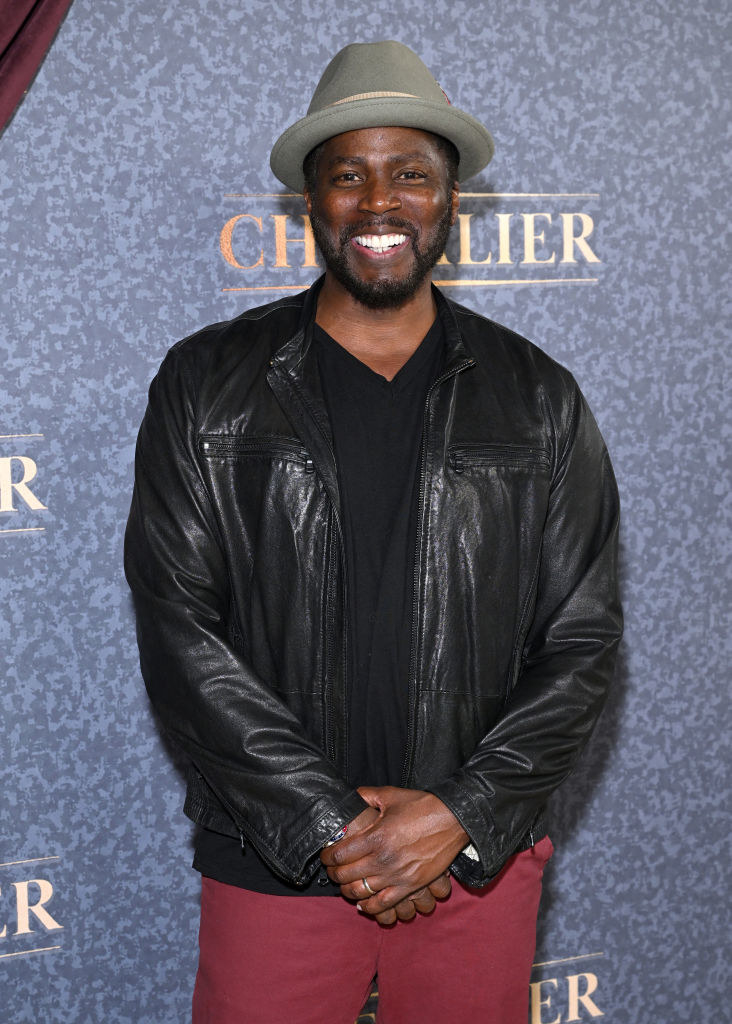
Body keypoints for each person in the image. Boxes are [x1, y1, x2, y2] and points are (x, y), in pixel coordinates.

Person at [125, 40, 622, 1024]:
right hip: (277, 860)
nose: (379, 201)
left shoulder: (540, 400)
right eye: (348, 175)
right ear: (310, 200)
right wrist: (332, 824)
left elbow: (581, 642)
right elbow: (181, 630)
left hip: (471, 865)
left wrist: (458, 814)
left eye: (410, 174)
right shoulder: (205, 386)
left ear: (451, 199)